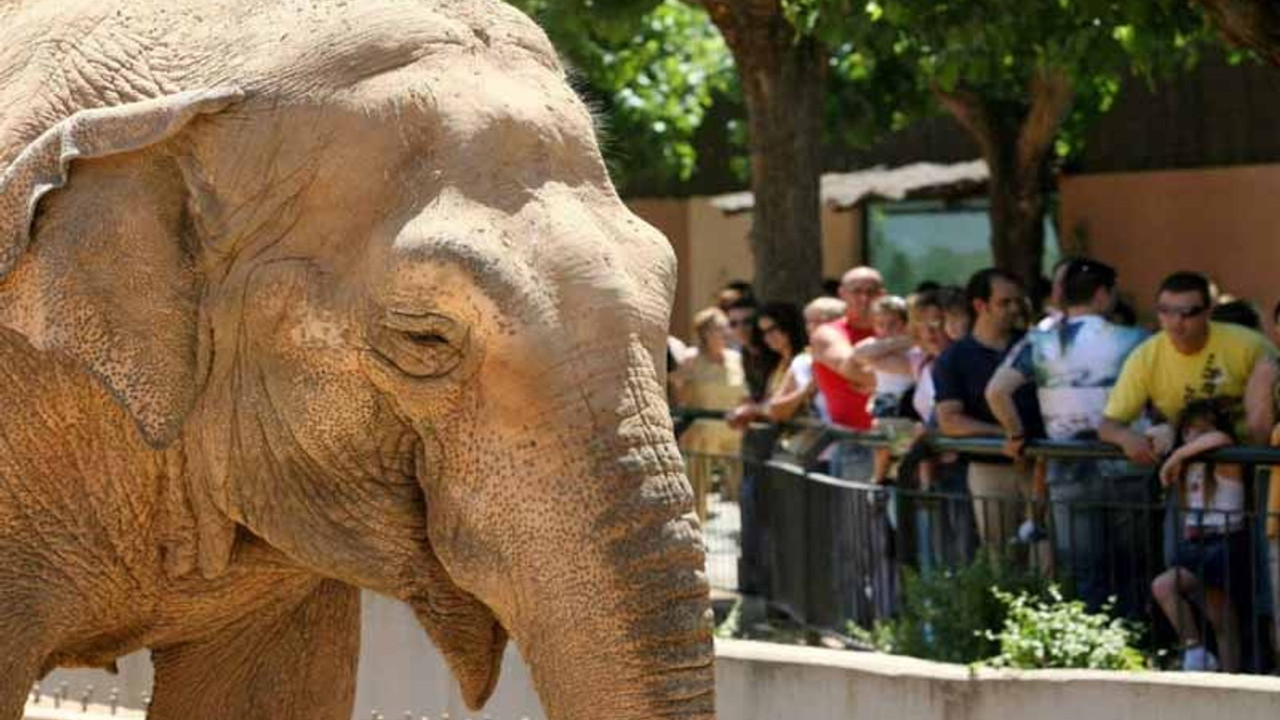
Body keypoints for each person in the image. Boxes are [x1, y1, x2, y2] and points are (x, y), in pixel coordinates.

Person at [985, 259, 1150, 612]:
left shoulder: (1039, 342)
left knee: (1079, 570)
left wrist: (1017, 434)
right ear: (1104, 294)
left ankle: (1088, 652)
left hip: (1066, 469)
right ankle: (1138, 649)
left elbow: (996, 391)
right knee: (1133, 568)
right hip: (1127, 466)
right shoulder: (1135, 338)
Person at [1100, 271, 1275, 465]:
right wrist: (1127, 438)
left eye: (1187, 313)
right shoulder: (1145, 357)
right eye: (1165, 311)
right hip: (1189, 466)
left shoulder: (1250, 346)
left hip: (1253, 459)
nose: (1175, 322)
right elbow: (1109, 425)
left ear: (1208, 311)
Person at [932, 268, 1042, 556]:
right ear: (980, 305)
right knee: (1001, 557)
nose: (1014, 309)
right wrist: (1005, 434)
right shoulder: (954, 358)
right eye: (1004, 303)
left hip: (1041, 465)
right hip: (990, 468)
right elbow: (950, 420)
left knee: (1049, 557)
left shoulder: (1035, 345)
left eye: (1018, 302)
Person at [1152, 399, 1249, 673]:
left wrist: (1176, 455)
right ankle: (1196, 652)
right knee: (1168, 588)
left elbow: (1222, 438)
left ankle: (1231, 680)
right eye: (1187, 431)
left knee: (1224, 622)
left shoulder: (1225, 462)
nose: (1192, 437)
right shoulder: (1186, 468)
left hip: (1223, 544)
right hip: (1195, 545)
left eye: (1199, 431)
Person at [672, 308, 746, 520]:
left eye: (727, 327)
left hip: (732, 434)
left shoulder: (736, 358)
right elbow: (680, 394)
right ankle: (696, 542)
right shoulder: (690, 359)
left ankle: (748, 542)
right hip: (699, 437)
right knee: (695, 493)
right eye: (718, 328)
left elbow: (743, 394)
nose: (725, 332)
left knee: (742, 491)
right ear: (704, 332)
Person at [811, 267, 882, 480]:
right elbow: (854, 370)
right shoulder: (828, 334)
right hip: (856, 443)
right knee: (860, 513)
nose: (864, 298)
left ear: (883, 294)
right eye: (857, 291)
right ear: (842, 294)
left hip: (898, 443)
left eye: (872, 291)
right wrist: (893, 379)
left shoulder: (894, 331)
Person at [851, 295, 915, 483]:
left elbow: (906, 367)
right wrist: (897, 342)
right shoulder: (879, 343)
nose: (886, 330)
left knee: (902, 454)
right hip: (883, 406)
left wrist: (877, 356)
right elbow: (859, 353)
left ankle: (886, 480)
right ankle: (878, 480)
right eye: (880, 324)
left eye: (892, 324)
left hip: (906, 409)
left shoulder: (913, 349)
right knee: (881, 443)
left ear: (905, 323)